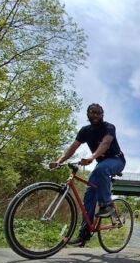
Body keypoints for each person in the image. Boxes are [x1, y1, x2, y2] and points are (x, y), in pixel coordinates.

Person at [49, 103, 126, 245]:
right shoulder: (85, 131)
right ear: (87, 114)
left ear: (103, 115)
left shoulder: (109, 127)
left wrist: (92, 157)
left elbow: (105, 144)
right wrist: (59, 161)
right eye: (92, 112)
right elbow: (73, 147)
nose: (95, 115)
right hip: (100, 163)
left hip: (116, 160)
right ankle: (83, 235)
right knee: (89, 196)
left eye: (98, 113)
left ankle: (106, 205)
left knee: (101, 169)